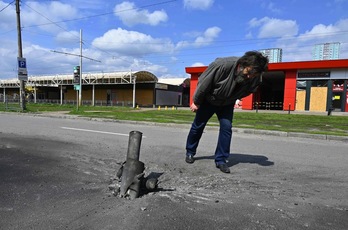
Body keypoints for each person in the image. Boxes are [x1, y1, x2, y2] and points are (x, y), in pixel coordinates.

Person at [185, 51, 269, 173]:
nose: (250, 76)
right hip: (209, 101)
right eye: (249, 72)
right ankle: (190, 152)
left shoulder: (255, 75)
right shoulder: (223, 65)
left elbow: (251, 89)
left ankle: (221, 160)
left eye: (254, 74)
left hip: (227, 104)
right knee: (198, 126)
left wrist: (235, 97)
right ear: (243, 64)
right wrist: (196, 101)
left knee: (226, 128)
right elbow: (204, 83)